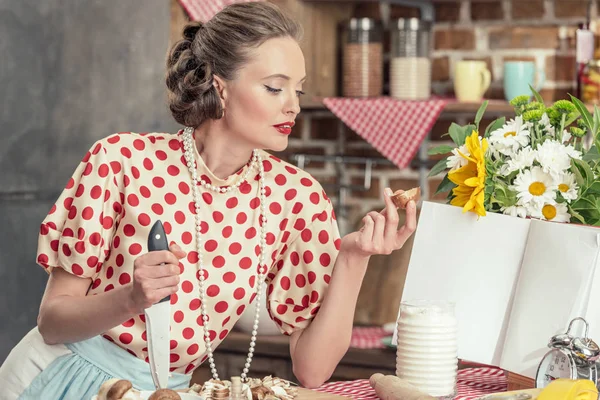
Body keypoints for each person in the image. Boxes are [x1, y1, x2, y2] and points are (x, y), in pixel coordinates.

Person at [0, 2, 417, 399]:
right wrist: (131, 298)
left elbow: (312, 370)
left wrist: (353, 259)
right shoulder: (120, 161)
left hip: (167, 392)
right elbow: (52, 321)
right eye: (274, 88)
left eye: (299, 92)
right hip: (59, 378)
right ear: (220, 87)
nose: (293, 106)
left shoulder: (297, 199)